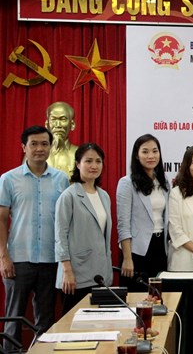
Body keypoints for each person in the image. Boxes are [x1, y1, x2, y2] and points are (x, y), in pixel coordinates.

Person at [0, 126, 69, 347]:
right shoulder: (8, 179)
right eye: (34, 144)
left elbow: (65, 222)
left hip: (50, 260)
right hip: (18, 259)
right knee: (13, 318)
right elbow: (1, 220)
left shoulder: (61, 179)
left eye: (44, 144)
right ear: (24, 147)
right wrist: (3, 256)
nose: (39, 149)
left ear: (50, 147)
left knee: (46, 320)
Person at [55, 143, 112, 314]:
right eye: (88, 161)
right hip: (76, 276)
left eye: (98, 161)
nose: (94, 166)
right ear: (78, 164)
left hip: (100, 274)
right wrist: (67, 271)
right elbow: (60, 236)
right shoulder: (69, 195)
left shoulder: (104, 195)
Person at [117, 134, 169, 289]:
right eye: (145, 151)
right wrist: (127, 258)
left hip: (161, 247)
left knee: (159, 298)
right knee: (137, 298)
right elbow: (123, 224)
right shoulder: (127, 183)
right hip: (137, 251)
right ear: (136, 155)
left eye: (155, 151)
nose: (151, 156)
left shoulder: (164, 181)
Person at [45, 101, 78, 177]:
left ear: (72, 125)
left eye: (63, 119)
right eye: (53, 119)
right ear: (46, 124)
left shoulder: (80, 154)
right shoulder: (35, 154)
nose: (58, 125)